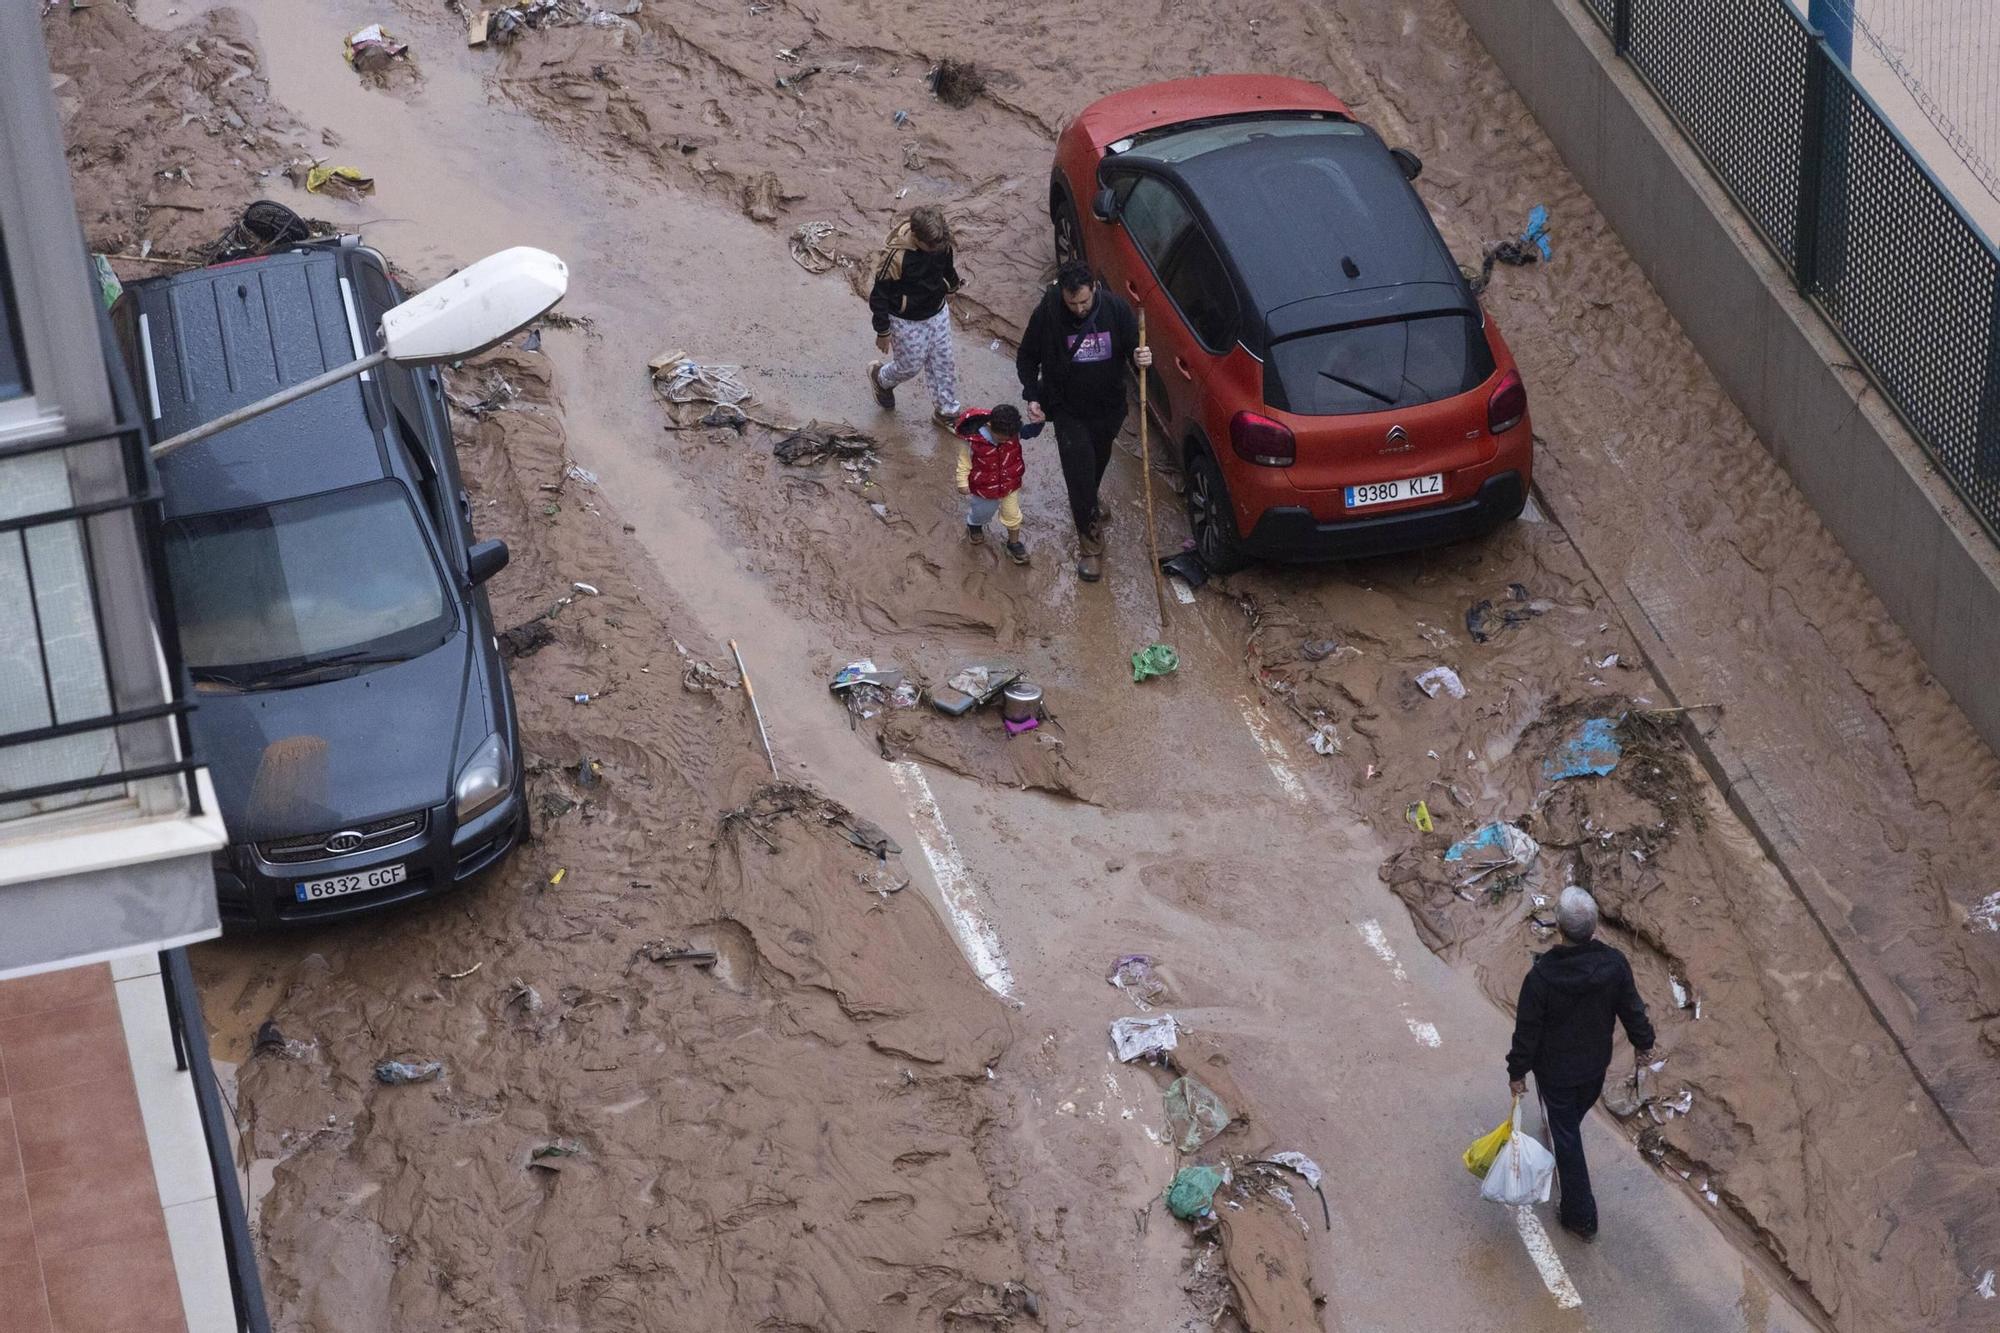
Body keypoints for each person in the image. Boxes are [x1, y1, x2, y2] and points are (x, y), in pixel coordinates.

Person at [1505, 886, 1655, 1242]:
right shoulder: (1614, 965)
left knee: (1567, 1139)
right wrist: (1643, 1044)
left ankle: (1580, 1215)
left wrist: (1516, 1072)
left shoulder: (1541, 979)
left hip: (1555, 1073)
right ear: (1594, 926)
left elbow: (1527, 1032)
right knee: (1568, 1121)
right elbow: (1633, 1009)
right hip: (1594, 1067)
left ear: (1559, 926)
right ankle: (1559, 1130)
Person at [1015, 260, 1153, 582]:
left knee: (1097, 462)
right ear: (1062, 294)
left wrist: (1142, 356)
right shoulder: (1048, 314)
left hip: (1109, 409)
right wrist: (1033, 395)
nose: (1078, 309)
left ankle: (1090, 500)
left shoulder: (1116, 310)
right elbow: (1026, 357)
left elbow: (1136, 348)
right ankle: (1091, 545)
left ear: (1094, 289)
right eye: (1072, 302)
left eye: (1084, 302)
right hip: (1068, 410)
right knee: (1078, 475)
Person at [867, 205, 963, 427]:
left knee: (944, 362)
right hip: (905, 320)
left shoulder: (941, 244)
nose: (936, 250)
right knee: (910, 366)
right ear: (917, 237)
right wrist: (883, 331)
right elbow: (879, 295)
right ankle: (881, 378)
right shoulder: (896, 257)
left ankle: (946, 412)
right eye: (931, 247)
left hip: (937, 312)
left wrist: (952, 286)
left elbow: (947, 270)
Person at [951, 404, 1042, 565]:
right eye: (1001, 438)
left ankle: (1013, 543)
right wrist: (962, 481)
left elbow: (1032, 431)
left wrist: (1040, 420)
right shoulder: (973, 441)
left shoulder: (1014, 433)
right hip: (984, 486)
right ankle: (974, 524)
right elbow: (964, 463)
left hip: (1010, 483)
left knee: (1013, 515)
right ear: (989, 425)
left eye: (1009, 438)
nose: (1006, 440)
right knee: (982, 512)